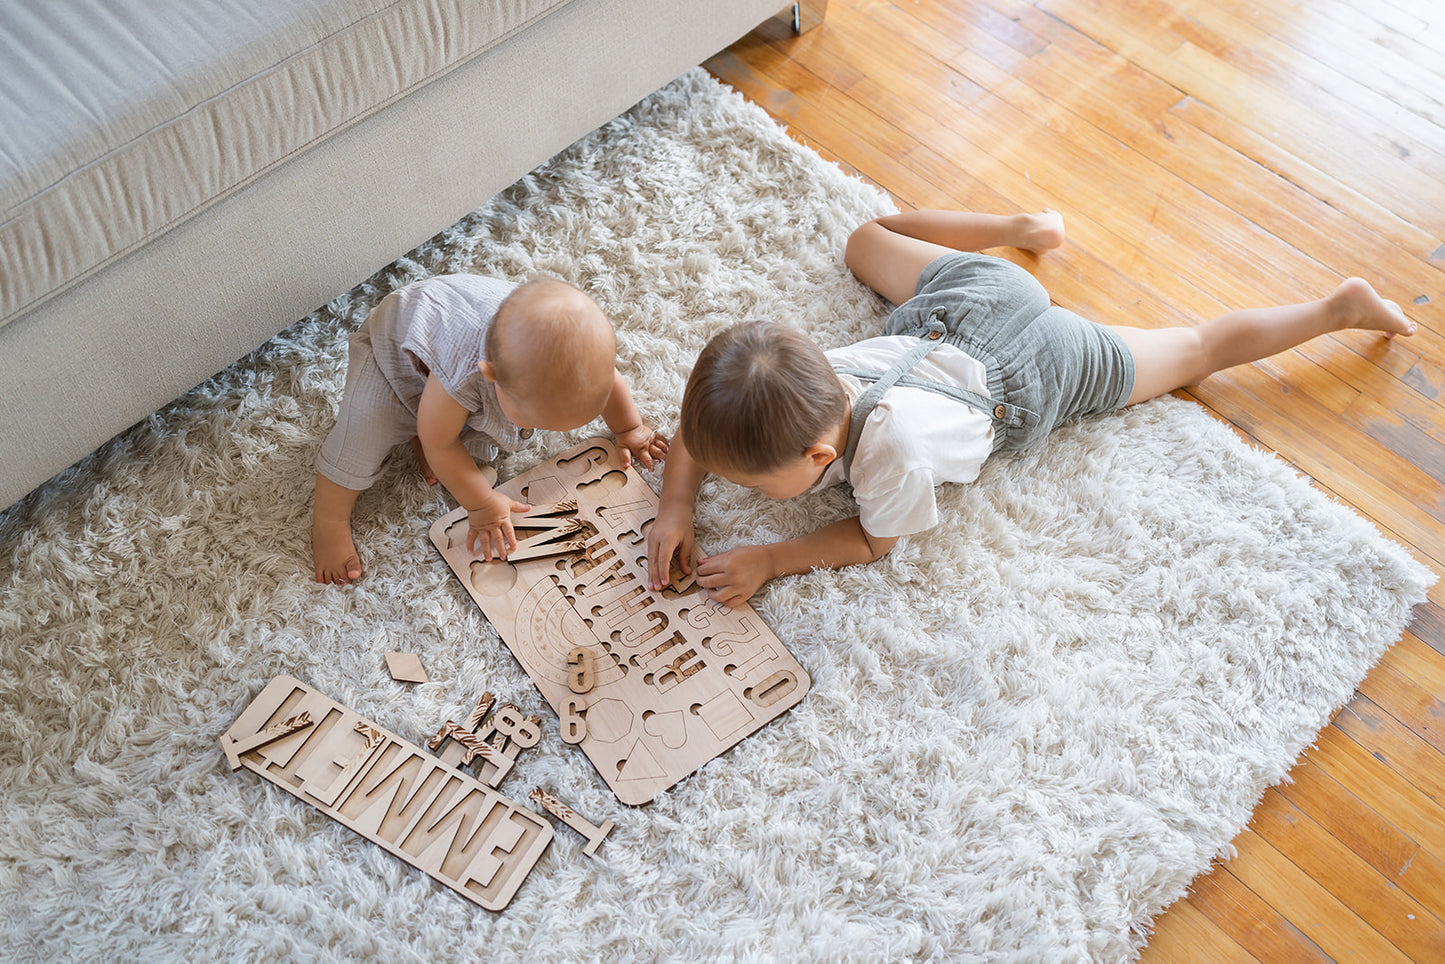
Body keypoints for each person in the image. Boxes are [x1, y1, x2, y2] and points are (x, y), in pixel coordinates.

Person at [645, 209, 1416, 607]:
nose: (734, 488)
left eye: (748, 484)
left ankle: (1334, 310)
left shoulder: (894, 457)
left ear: (820, 460)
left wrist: (773, 558)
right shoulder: (806, 374)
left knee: (1194, 350)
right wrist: (675, 504)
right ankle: (1019, 230)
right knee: (863, 238)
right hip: (974, 297)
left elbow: (875, 542)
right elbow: (698, 428)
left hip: (1034, 370)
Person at [313, 273, 667, 584]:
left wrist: (630, 428)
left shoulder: (568, 349)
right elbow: (440, 443)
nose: (535, 431)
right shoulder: (464, 372)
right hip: (394, 359)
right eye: (534, 421)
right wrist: (481, 505)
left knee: (477, 441)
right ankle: (328, 520)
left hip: (449, 369)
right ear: (490, 375)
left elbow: (610, 382)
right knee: (363, 437)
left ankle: (431, 426)